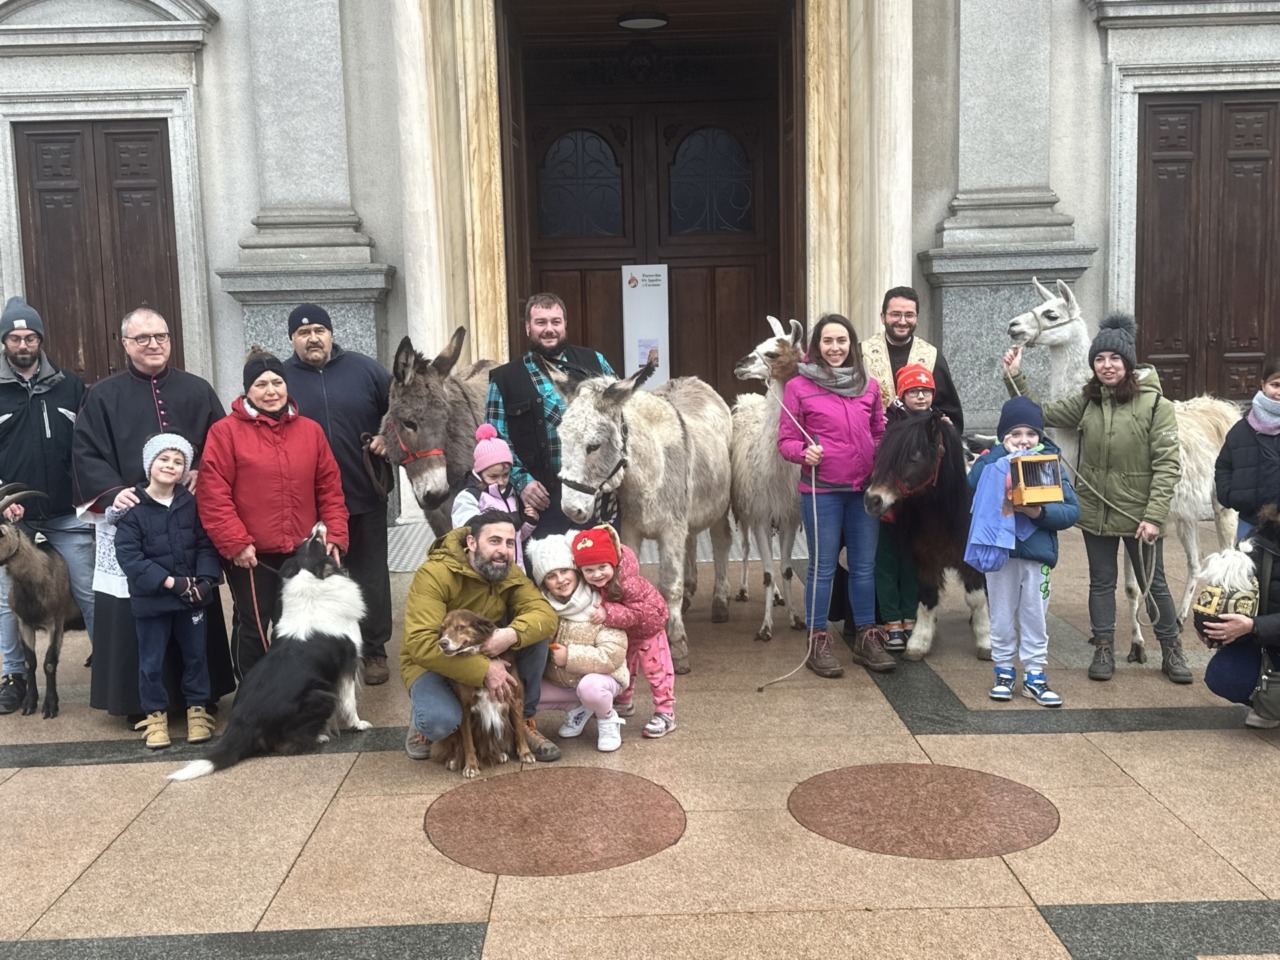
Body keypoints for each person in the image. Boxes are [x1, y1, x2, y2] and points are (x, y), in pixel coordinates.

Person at [1002, 313, 1191, 684]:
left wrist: (1154, 516)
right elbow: (1039, 415)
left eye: (1114, 359)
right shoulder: (1088, 403)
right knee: (1101, 582)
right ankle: (1103, 646)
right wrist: (1015, 376)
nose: (1107, 366)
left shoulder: (1156, 407)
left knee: (1155, 583)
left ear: (1129, 364)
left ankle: (1171, 648)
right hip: (1097, 512)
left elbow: (1168, 466)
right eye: (1100, 359)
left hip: (1139, 516)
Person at [71, 307, 234, 719]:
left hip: (186, 516)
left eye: (160, 336)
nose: (153, 344)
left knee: (193, 598)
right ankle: (140, 703)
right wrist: (115, 494)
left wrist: (201, 471)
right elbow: (85, 453)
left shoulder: (197, 389)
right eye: (142, 338)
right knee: (139, 608)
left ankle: (200, 695)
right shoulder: (103, 395)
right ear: (125, 344)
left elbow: (223, 444)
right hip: (133, 519)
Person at [198, 349, 349, 679]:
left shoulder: (310, 430)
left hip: (302, 550)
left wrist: (335, 536)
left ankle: (291, 691)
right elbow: (214, 494)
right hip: (251, 554)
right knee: (254, 623)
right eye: (261, 384)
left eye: (277, 382)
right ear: (247, 390)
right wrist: (236, 542)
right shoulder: (225, 433)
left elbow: (330, 488)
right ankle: (253, 695)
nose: (271, 391)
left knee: (297, 623)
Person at [778, 313, 892, 678]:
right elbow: (786, 440)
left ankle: (866, 636)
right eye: (828, 341)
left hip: (863, 492)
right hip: (821, 492)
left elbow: (879, 430)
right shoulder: (798, 386)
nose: (835, 348)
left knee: (863, 567)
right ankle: (818, 639)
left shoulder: (868, 385)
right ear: (816, 346)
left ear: (852, 344)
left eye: (841, 341)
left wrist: (877, 457)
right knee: (822, 567)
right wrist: (802, 453)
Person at [285, 303, 395, 685]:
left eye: (319, 329)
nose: (312, 337)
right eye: (303, 333)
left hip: (364, 492)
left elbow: (398, 413)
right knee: (314, 578)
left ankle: (375, 649)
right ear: (292, 340)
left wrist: (387, 438)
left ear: (331, 333)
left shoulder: (367, 370)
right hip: (306, 504)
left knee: (370, 576)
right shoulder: (279, 380)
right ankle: (318, 648)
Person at [401, 509, 561, 762]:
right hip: (434, 662)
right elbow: (420, 643)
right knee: (439, 722)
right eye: (494, 541)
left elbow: (545, 615)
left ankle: (524, 720)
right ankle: (422, 717)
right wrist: (485, 669)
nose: (504, 551)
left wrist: (510, 634)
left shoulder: (507, 571)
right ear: (472, 542)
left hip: (483, 648)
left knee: (535, 634)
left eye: (510, 543)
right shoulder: (434, 574)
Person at [0, 297, 95, 715]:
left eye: (30, 336)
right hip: (11, 522)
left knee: (90, 588)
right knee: (5, 599)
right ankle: (14, 676)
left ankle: (112, 668)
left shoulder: (70, 386)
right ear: (5, 342)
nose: (24, 343)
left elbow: (89, 446)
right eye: (15, 337)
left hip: (64, 514)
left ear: (41, 339)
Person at [965, 398, 1080, 707]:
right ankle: (1003, 671)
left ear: (1040, 436)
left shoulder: (1049, 463)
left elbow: (1070, 511)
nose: (1024, 441)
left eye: (1031, 434)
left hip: (1036, 555)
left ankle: (1034, 674)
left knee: (1034, 616)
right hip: (999, 555)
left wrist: (1038, 513)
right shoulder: (992, 460)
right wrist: (1000, 454)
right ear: (1004, 436)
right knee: (1000, 615)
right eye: (1015, 434)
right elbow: (972, 483)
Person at [111, 434, 221, 749]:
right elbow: (130, 557)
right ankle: (155, 714)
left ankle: (197, 709)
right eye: (164, 459)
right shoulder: (132, 508)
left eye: (177, 462)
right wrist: (171, 582)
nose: (170, 466)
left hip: (192, 599)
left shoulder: (190, 503)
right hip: (153, 601)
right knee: (151, 660)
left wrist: (204, 580)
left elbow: (205, 543)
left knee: (195, 656)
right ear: (150, 465)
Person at [485, 293, 617, 535]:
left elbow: (623, 419)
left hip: (596, 497)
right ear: (527, 328)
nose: (549, 329)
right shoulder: (504, 379)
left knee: (600, 571)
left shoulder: (595, 362)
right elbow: (496, 441)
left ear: (565, 325)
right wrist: (522, 482)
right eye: (541, 322)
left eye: (556, 322)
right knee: (550, 572)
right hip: (541, 503)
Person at [571, 524, 676, 738]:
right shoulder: (602, 582)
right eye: (589, 570)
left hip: (649, 629)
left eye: (602, 567)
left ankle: (666, 712)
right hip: (627, 631)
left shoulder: (629, 583)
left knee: (657, 671)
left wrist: (607, 613)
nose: (597, 574)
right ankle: (624, 701)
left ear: (614, 562)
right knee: (624, 667)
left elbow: (637, 613)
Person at [528, 534, 629, 752]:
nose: (560, 580)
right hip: (566, 683)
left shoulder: (599, 604)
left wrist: (570, 657)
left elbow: (612, 656)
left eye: (565, 571)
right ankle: (581, 707)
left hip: (604, 679)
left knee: (590, 687)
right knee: (526, 694)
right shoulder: (543, 608)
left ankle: (607, 718)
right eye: (551, 576)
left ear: (575, 571)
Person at [873, 362, 941, 654]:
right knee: (887, 564)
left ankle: (910, 617)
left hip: (922, 513)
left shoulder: (938, 425)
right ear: (902, 394)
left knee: (913, 564)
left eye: (926, 390)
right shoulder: (890, 422)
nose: (922, 397)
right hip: (891, 509)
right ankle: (891, 621)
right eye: (914, 391)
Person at [1201, 504, 1280, 728]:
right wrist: (1217, 629)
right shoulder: (1259, 540)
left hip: (1264, 630)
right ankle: (1268, 703)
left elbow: (1252, 624)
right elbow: (1236, 596)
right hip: (1270, 640)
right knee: (1224, 674)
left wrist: (1253, 626)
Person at [860, 286, 964, 432]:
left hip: (920, 446)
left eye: (909, 315)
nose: (902, 321)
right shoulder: (861, 354)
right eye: (895, 314)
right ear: (883, 317)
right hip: (873, 444)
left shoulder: (932, 357)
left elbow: (949, 411)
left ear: (916, 318)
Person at [450, 424, 539, 567]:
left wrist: (528, 522)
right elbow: (465, 531)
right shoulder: (468, 497)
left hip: (516, 571)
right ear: (479, 472)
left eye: (505, 475)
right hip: (488, 571)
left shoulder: (510, 495)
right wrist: (509, 520)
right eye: (493, 476)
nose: (501, 481)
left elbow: (514, 538)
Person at [1214, 358, 1280, 542]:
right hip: (1250, 520)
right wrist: (1230, 495)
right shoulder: (1242, 430)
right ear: (1263, 385)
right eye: (1275, 385)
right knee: (1249, 568)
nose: (1279, 392)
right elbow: (1224, 466)